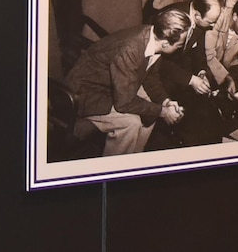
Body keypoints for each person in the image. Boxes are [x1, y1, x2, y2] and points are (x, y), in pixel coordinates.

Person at [63, 9, 189, 156]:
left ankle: (133, 157)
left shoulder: (153, 37)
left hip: (113, 85)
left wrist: (165, 102)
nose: (181, 47)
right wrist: (162, 112)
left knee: (152, 108)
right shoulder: (130, 49)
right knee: (131, 123)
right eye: (179, 45)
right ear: (166, 43)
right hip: (85, 92)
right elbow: (124, 103)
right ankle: (113, 171)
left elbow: (150, 77)